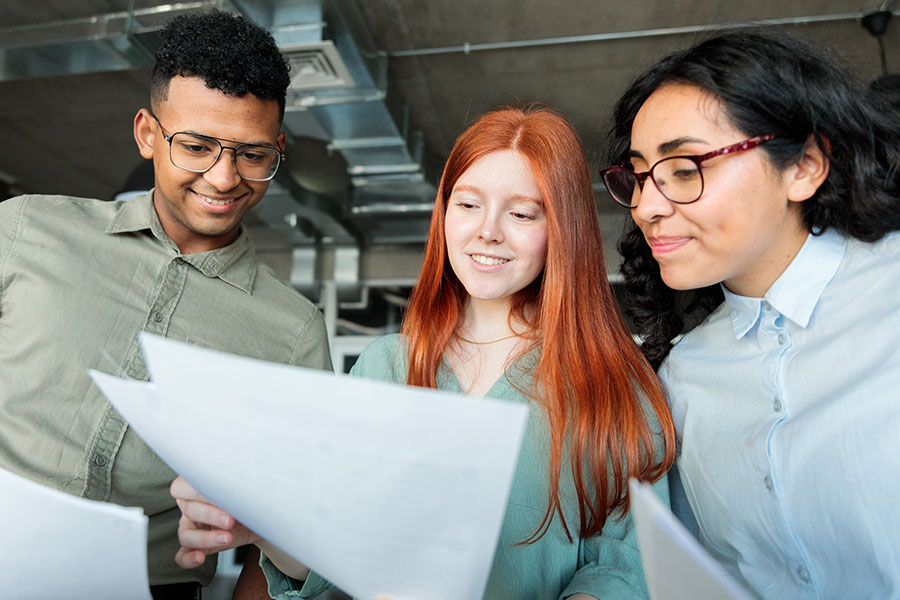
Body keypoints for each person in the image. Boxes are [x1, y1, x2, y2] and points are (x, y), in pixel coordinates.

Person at [171, 105, 675, 599]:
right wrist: (263, 528)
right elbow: (331, 560)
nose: (488, 231)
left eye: (522, 212)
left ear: (562, 231)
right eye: (468, 204)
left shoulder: (616, 385)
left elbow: (627, 567)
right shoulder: (385, 366)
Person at [0, 10, 331, 599]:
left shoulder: (294, 332)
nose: (224, 178)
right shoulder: (24, 229)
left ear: (277, 148)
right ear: (148, 133)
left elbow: (286, 531)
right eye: (198, 146)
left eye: (252, 155)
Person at [600, 28, 900, 600]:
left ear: (804, 166)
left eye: (684, 170)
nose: (646, 206)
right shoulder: (682, 379)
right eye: (638, 176)